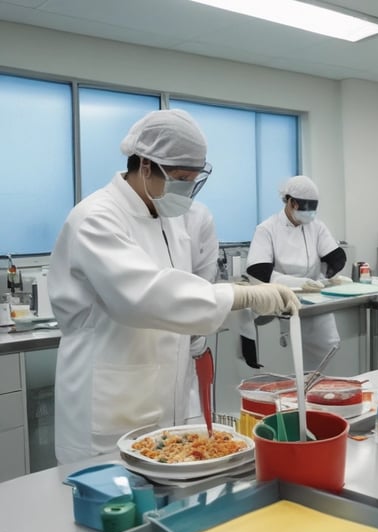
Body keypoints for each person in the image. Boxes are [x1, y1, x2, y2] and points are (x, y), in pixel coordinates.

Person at [48, 109, 300, 463]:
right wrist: (239, 294)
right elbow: (144, 295)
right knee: (110, 506)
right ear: (147, 166)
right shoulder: (96, 218)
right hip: (109, 400)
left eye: (193, 179)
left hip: (169, 396)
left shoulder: (168, 219)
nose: (186, 189)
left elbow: (186, 285)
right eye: (180, 177)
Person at [246, 175, 346, 370]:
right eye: (305, 207)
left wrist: (324, 277)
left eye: (313, 208)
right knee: (292, 364)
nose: (309, 214)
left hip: (316, 304)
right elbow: (259, 271)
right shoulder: (267, 229)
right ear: (291, 202)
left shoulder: (316, 226)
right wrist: (297, 284)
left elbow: (337, 257)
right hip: (284, 302)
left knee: (327, 353)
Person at [182, 199, 219, 423]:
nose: (188, 186)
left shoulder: (199, 215)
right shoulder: (105, 214)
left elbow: (204, 278)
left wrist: (196, 326)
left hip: (186, 348)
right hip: (133, 360)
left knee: (190, 434)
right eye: (182, 178)